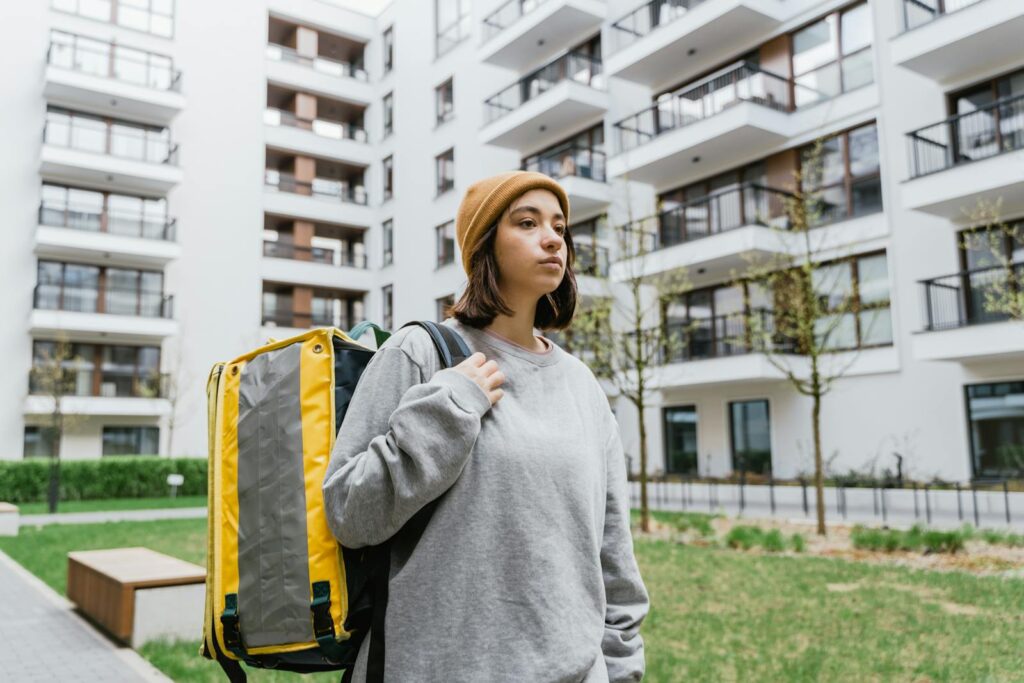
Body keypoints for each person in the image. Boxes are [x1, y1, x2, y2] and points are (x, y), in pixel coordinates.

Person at [322, 170, 649, 682]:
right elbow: (348, 511)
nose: (552, 239)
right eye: (527, 222)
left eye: (560, 228)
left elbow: (612, 551)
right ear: (484, 246)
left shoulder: (581, 384)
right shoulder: (420, 354)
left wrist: (622, 669)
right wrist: (451, 405)